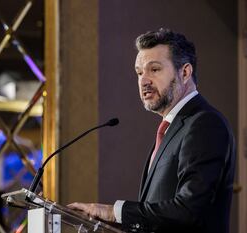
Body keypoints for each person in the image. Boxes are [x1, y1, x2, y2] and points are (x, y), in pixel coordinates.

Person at [68, 28, 236, 233]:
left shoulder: (205, 124)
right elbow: (161, 218)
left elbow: (189, 210)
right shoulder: (171, 128)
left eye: (154, 70)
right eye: (139, 72)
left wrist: (114, 212)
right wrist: (112, 223)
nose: (144, 80)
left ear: (185, 72)